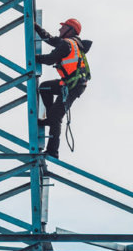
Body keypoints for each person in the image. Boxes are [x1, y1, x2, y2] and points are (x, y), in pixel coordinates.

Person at [34, 18, 92, 159]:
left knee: (56, 116)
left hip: (73, 86)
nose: (60, 29)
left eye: (63, 27)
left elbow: (49, 59)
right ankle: (49, 119)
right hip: (71, 84)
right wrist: (35, 26)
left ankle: (53, 151)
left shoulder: (67, 44)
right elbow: (49, 39)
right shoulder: (71, 43)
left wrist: (35, 57)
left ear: (70, 30)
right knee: (45, 87)